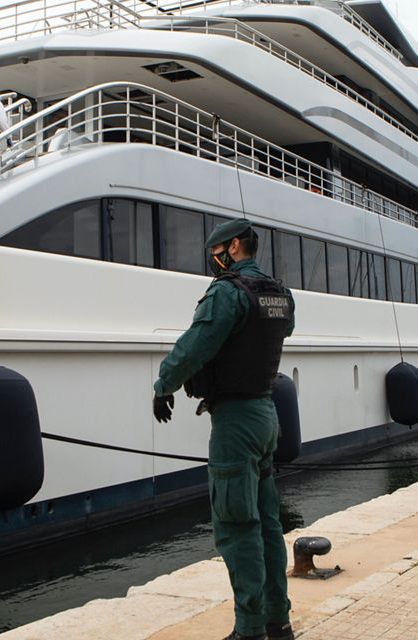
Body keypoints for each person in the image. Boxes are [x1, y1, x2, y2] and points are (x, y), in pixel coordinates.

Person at [152, 218, 296, 640]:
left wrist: (163, 386)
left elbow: (195, 344)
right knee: (269, 525)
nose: (214, 262)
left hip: (234, 421)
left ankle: (249, 629)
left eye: (216, 253)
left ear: (233, 247)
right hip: (267, 414)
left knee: (237, 527)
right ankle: (277, 620)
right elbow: (279, 331)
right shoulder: (279, 294)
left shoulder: (227, 293)